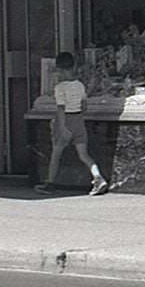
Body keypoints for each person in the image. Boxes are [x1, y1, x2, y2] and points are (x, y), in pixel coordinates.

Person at [37, 51, 111, 195]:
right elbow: (84, 106)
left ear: (60, 70)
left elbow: (61, 108)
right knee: (84, 155)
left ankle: (50, 183)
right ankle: (98, 177)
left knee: (56, 154)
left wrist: (63, 127)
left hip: (66, 120)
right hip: (79, 120)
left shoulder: (60, 88)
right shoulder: (80, 85)